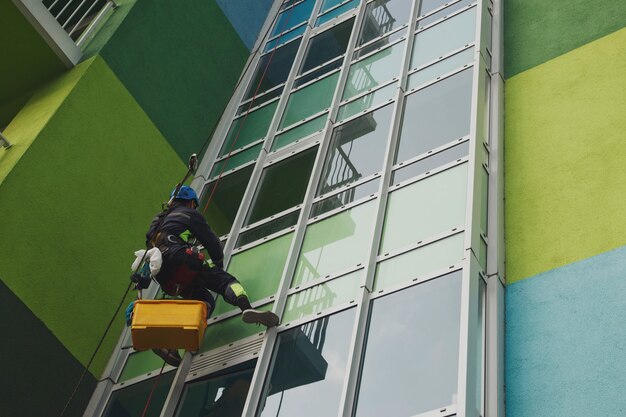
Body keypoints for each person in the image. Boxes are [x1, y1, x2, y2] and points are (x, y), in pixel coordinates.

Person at [144, 186, 279, 366]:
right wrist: (218, 263)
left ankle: (170, 344)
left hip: (164, 275)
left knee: (205, 301)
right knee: (226, 282)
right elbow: (212, 242)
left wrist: (143, 280)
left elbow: (149, 252)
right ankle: (245, 307)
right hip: (182, 259)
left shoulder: (157, 223)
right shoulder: (189, 214)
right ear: (191, 202)